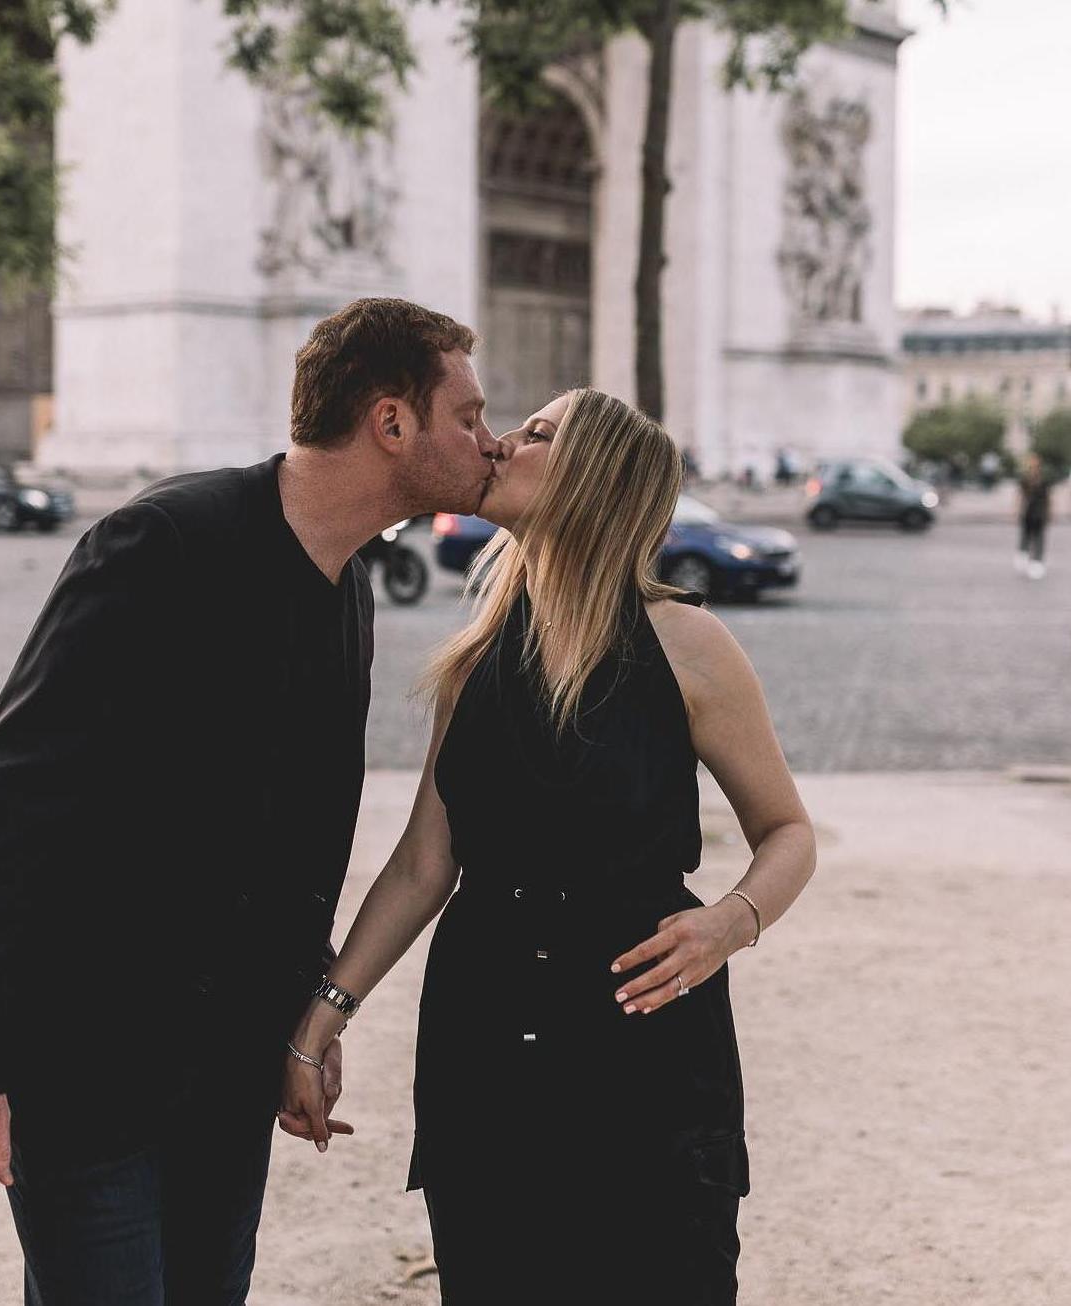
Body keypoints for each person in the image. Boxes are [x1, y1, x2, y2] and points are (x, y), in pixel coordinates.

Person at [0, 298, 502, 1303]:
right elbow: (10, 801)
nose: (488, 440)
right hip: (84, 1059)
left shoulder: (350, 584)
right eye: (469, 416)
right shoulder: (163, 541)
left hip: (226, 1074)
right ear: (391, 423)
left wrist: (304, 1019)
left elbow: (292, 836)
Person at [281, 387, 819, 1302]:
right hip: (481, 1043)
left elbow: (788, 832)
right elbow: (422, 865)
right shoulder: (473, 661)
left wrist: (731, 922)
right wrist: (321, 1020)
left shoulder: (689, 644)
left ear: (594, 478)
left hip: (644, 1049)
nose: (498, 443)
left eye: (536, 434)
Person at [1015, 451, 1052, 579]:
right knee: (1025, 537)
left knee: (1039, 539)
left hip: (1040, 513)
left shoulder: (1044, 480)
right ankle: (1024, 558)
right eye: (1031, 464)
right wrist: (1016, 511)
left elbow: (1049, 498)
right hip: (1028, 512)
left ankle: (1037, 562)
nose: (1033, 466)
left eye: (1035, 463)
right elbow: (1020, 496)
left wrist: (1049, 512)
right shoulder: (1025, 479)